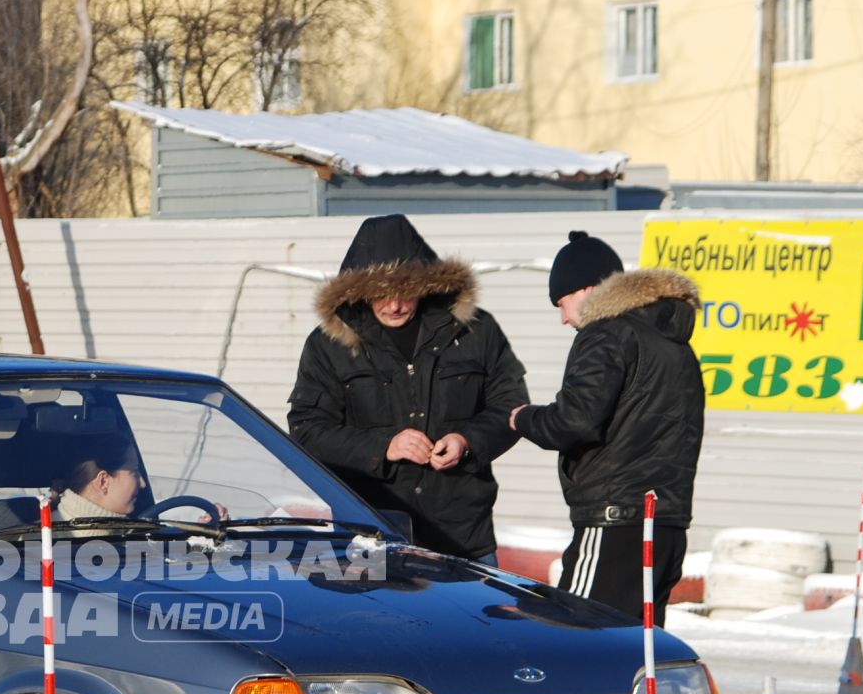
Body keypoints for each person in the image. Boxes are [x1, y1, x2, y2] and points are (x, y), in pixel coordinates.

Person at [288, 214, 528, 564]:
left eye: (405, 291)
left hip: (462, 534)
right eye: (381, 294)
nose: (395, 305)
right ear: (358, 291)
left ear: (426, 284)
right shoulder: (328, 346)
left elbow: (511, 407)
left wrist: (467, 442)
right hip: (369, 536)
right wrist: (384, 447)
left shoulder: (476, 331)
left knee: (468, 621)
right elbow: (307, 430)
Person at [510, 231, 704, 623]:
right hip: (666, 524)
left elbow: (574, 421)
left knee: (575, 639)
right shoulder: (676, 345)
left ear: (587, 289)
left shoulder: (606, 333)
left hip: (614, 521)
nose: (564, 318)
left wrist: (523, 418)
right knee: (638, 650)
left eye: (561, 303)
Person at [55, 434, 146, 522]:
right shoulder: (47, 535)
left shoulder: (49, 531)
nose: (143, 484)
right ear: (103, 482)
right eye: (134, 473)